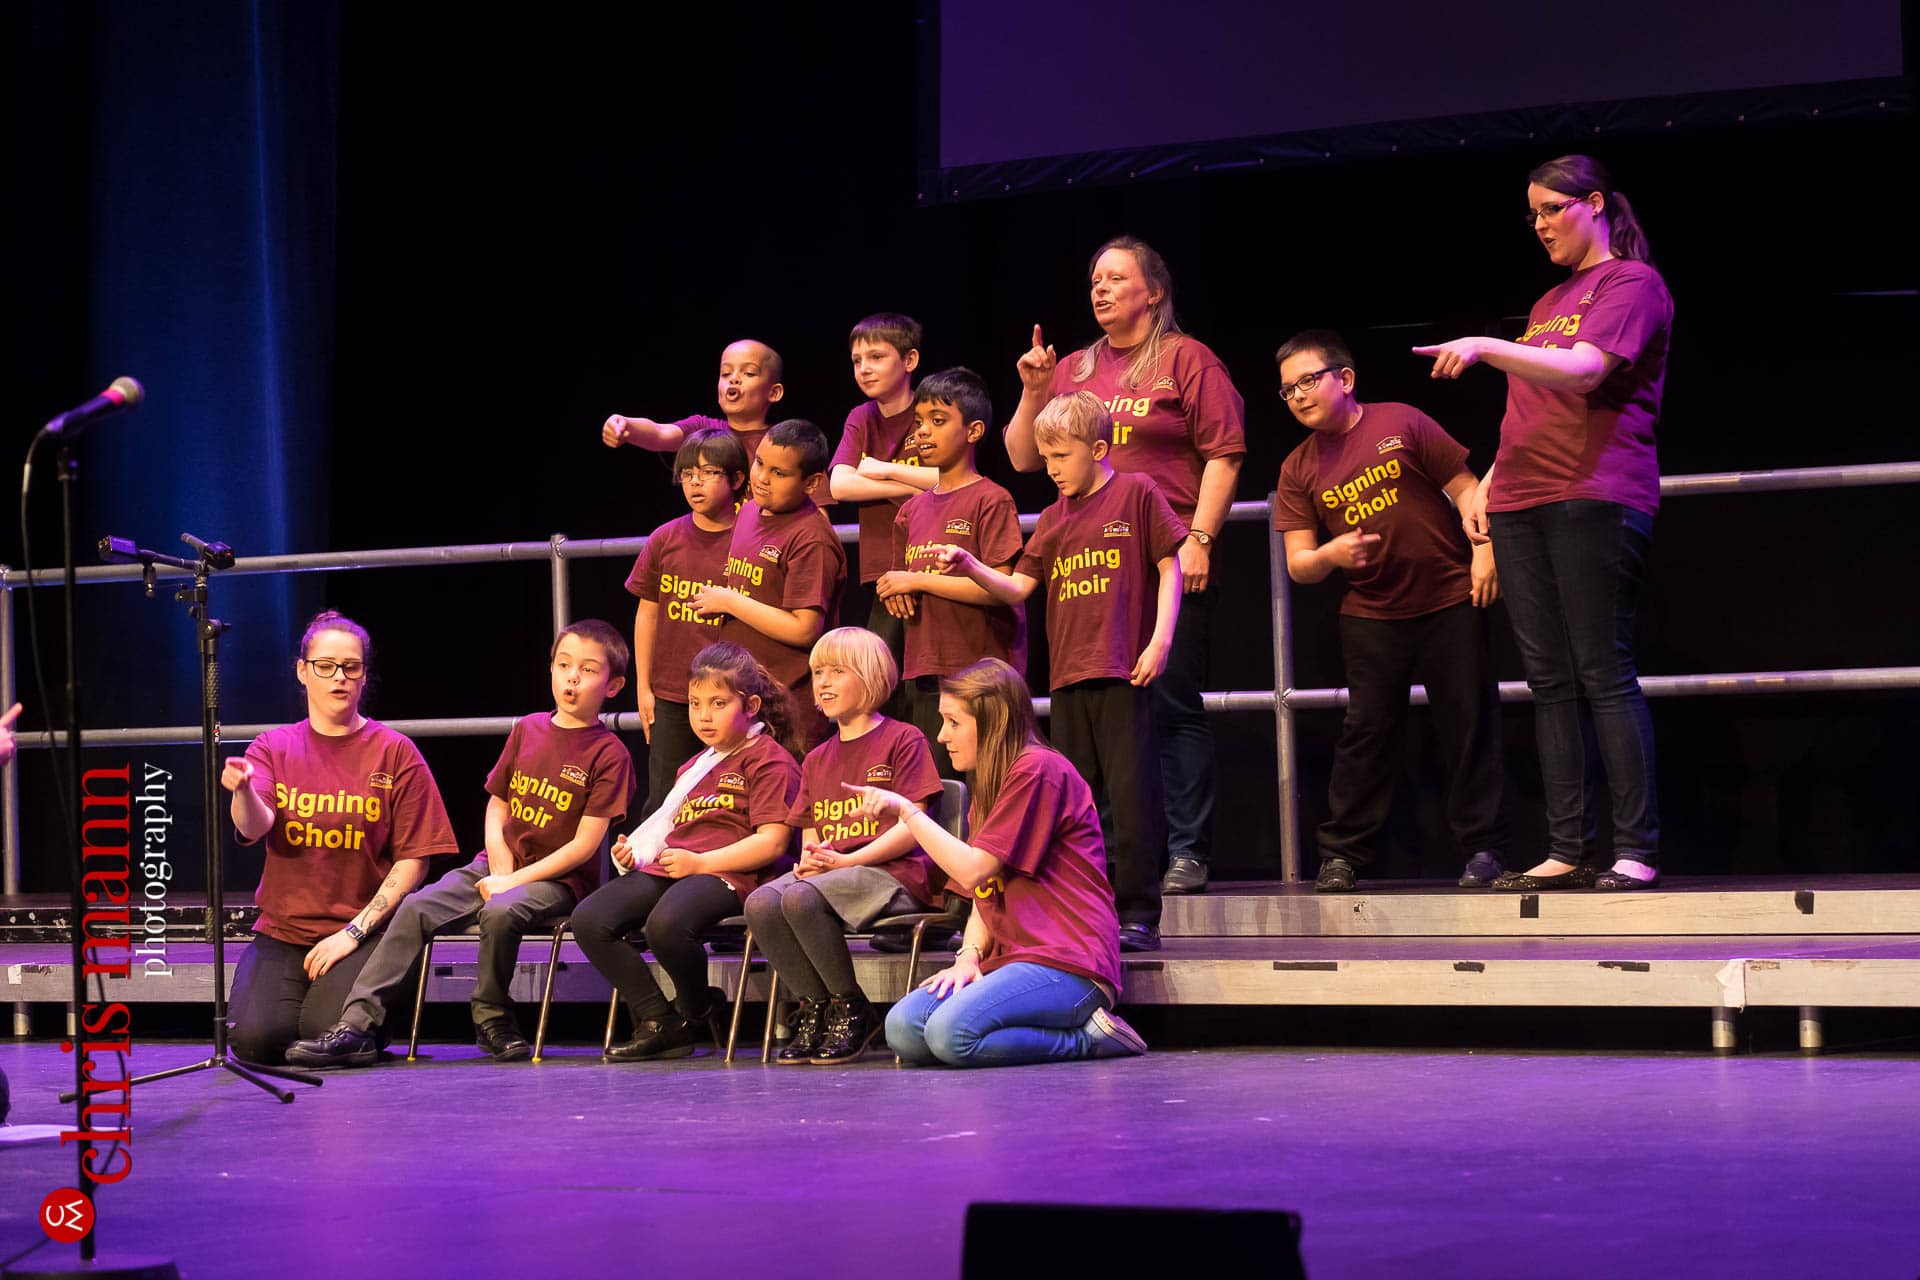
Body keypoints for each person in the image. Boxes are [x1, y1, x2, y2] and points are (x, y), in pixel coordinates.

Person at [1413, 154, 1672, 891]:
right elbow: (1526, 412)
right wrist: (1486, 487)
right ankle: (1566, 845)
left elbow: (1588, 370)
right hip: (1525, 498)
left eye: (1551, 210)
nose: (1540, 225)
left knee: (1602, 671)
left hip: (1593, 491)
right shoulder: (1548, 301)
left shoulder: (1631, 283)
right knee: (1549, 680)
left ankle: (1636, 848)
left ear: (1592, 204)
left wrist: (1487, 346)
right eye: (1531, 215)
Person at [1003, 236, 1245, 896]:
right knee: (1097, 727)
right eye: (1093, 281)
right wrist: (1031, 392)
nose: (1100, 290)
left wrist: (1199, 535)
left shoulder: (1187, 359)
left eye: (1115, 278)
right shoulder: (1074, 369)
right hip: (1091, 567)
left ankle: (1186, 851)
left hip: (1163, 553)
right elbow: (1026, 458)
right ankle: (1102, 859)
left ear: (1154, 291)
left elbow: (1224, 453)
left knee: (1169, 708)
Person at [282, 621, 635, 1067]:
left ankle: (490, 1014)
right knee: (414, 907)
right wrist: (501, 868)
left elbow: (584, 846)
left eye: (587, 670)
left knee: (502, 910)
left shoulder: (608, 754)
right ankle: (357, 1025)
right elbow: (496, 805)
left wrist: (514, 882)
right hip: (498, 865)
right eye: (563, 665)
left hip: (557, 879)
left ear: (614, 684)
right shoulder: (528, 729)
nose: (571, 678)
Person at [941, 391, 1183, 952]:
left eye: (1062, 457)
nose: (1050, 469)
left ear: (1099, 449)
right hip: (1069, 677)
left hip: (1125, 669)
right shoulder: (1052, 517)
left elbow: (1169, 566)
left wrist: (1161, 639)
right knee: (1078, 800)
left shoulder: (1136, 493)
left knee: (1132, 795)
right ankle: (1085, 911)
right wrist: (974, 566)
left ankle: (1140, 913)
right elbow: (1018, 588)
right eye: (1045, 458)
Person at [1271, 330, 1509, 892]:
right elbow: (1299, 564)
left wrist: (1484, 550)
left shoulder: (1401, 421)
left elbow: (1467, 487)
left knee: (1469, 721)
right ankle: (1344, 855)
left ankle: (1483, 850)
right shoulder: (1297, 468)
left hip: (1450, 596)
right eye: (1287, 391)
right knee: (1366, 732)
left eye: (1308, 381)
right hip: (1372, 613)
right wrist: (1329, 553)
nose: (1298, 396)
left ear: (1345, 379)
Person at [866, 658, 1145, 1067]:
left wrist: (910, 814)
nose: (942, 736)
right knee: (904, 1030)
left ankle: (1090, 1039)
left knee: (950, 1035)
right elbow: (985, 889)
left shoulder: (1038, 771)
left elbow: (973, 868)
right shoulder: (990, 786)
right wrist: (968, 956)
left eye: (953, 722)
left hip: (1069, 962)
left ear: (993, 721)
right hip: (1011, 962)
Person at [223, 611, 460, 1065]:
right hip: (285, 932)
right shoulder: (274, 747)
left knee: (324, 1034)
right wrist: (245, 789)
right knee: (256, 1042)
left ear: (363, 675)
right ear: (302, 670)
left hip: (364, 933)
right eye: (325, 665)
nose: (339, 677)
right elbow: (254, 826)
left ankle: (365, 1024)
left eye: (351, 667)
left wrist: (353, 932)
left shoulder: (394, 752)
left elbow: (414, 861)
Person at [571, 642, 804, 1061]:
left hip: (730, 872)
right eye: (696, 704)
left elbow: (772, 842)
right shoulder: (695, 766)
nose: (704, 715)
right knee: (590, 919)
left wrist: (702, 863)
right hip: (678, 864)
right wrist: (637, 854)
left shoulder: (770, 761)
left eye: (718, 703)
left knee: (666, 926)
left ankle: (694, 1007)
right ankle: (662, 1021)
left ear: (750, 705)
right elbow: (673, 826)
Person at [743, 627, 943, 1065]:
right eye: (817, 673)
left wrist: (848, 860)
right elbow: (811, 833)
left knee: (799, 898)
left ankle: (851, 1008)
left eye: (837, 671)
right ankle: (815, 1007)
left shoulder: (902, 739)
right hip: (838, 874)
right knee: (760, 902)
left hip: (893, 873)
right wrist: (813, 860)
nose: (824, 682)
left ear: (870, 676)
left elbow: (915, 825)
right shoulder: (816, 758)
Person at [874, 366, 1026, 776]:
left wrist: (918, 580)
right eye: (919, 422)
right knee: (937, 788)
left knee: (986, 784)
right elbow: (896, 581)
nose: (922, 432)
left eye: (938, 421)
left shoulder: (991, 500)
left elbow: (1001, 587)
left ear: (973, 431)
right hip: (925, 668)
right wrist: (896, 588)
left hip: (980, 672)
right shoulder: (911, 510)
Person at [693, 419, 849, 749]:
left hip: (787, 713)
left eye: (779, 473)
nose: (762, 478)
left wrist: (729, 601)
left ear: (812, 483)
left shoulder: (810, 539)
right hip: (743, 702)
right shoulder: (749, 512)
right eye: (760, 463)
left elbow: (804, 628)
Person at [627, 427, 751, 815]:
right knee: (666, 795)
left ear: (736, 479)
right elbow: (648, 612)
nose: (695, 483)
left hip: (732, 693)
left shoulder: (750, 538)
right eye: (687, 473)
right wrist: (644, 687)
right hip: (674, 694)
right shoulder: (666, 538)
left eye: (710, 472)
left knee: (732, 792)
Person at [827, 313, 936, 667]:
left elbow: (948, 478)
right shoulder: (862, 417)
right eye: (857, 361)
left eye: (876, 357)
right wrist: (907, 487)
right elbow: (840, 485)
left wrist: (880, 469)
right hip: (884, 571)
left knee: (934, 683)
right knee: (885, 681)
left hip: (933, 566)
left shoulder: (932, 409)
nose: (864, 369)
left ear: (910, 360)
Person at [600, 338, 786, 465]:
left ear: (774, 392)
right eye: (726, 373)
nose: (734, 379)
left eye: (749, 373)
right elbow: (660, 433)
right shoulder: (703, 429)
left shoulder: (784, 442)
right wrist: (627, 426)